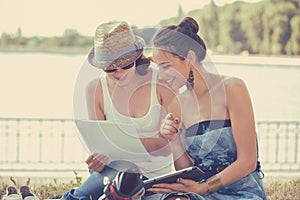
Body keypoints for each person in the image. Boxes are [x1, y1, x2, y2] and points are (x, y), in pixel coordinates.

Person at [147, 17, 267, 199]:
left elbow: (248, 161)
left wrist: (204, 188)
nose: (161, 76)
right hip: (198, 193)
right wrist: (173, 140)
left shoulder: (232, 88)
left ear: (189, 58)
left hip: (240, 191)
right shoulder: (178, 103)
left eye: (165, 67)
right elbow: (186, 169)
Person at [62, 21, 174, 200]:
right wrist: (96, 162)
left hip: (154, 178)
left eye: (126, 65)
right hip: (113, 174)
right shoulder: (95, 88)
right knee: (105, 183)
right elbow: (99, 144)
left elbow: (167, 147)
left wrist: (124, 152)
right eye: (110, 68)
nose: (119, 73)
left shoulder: (160, 82)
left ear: (136, 58)